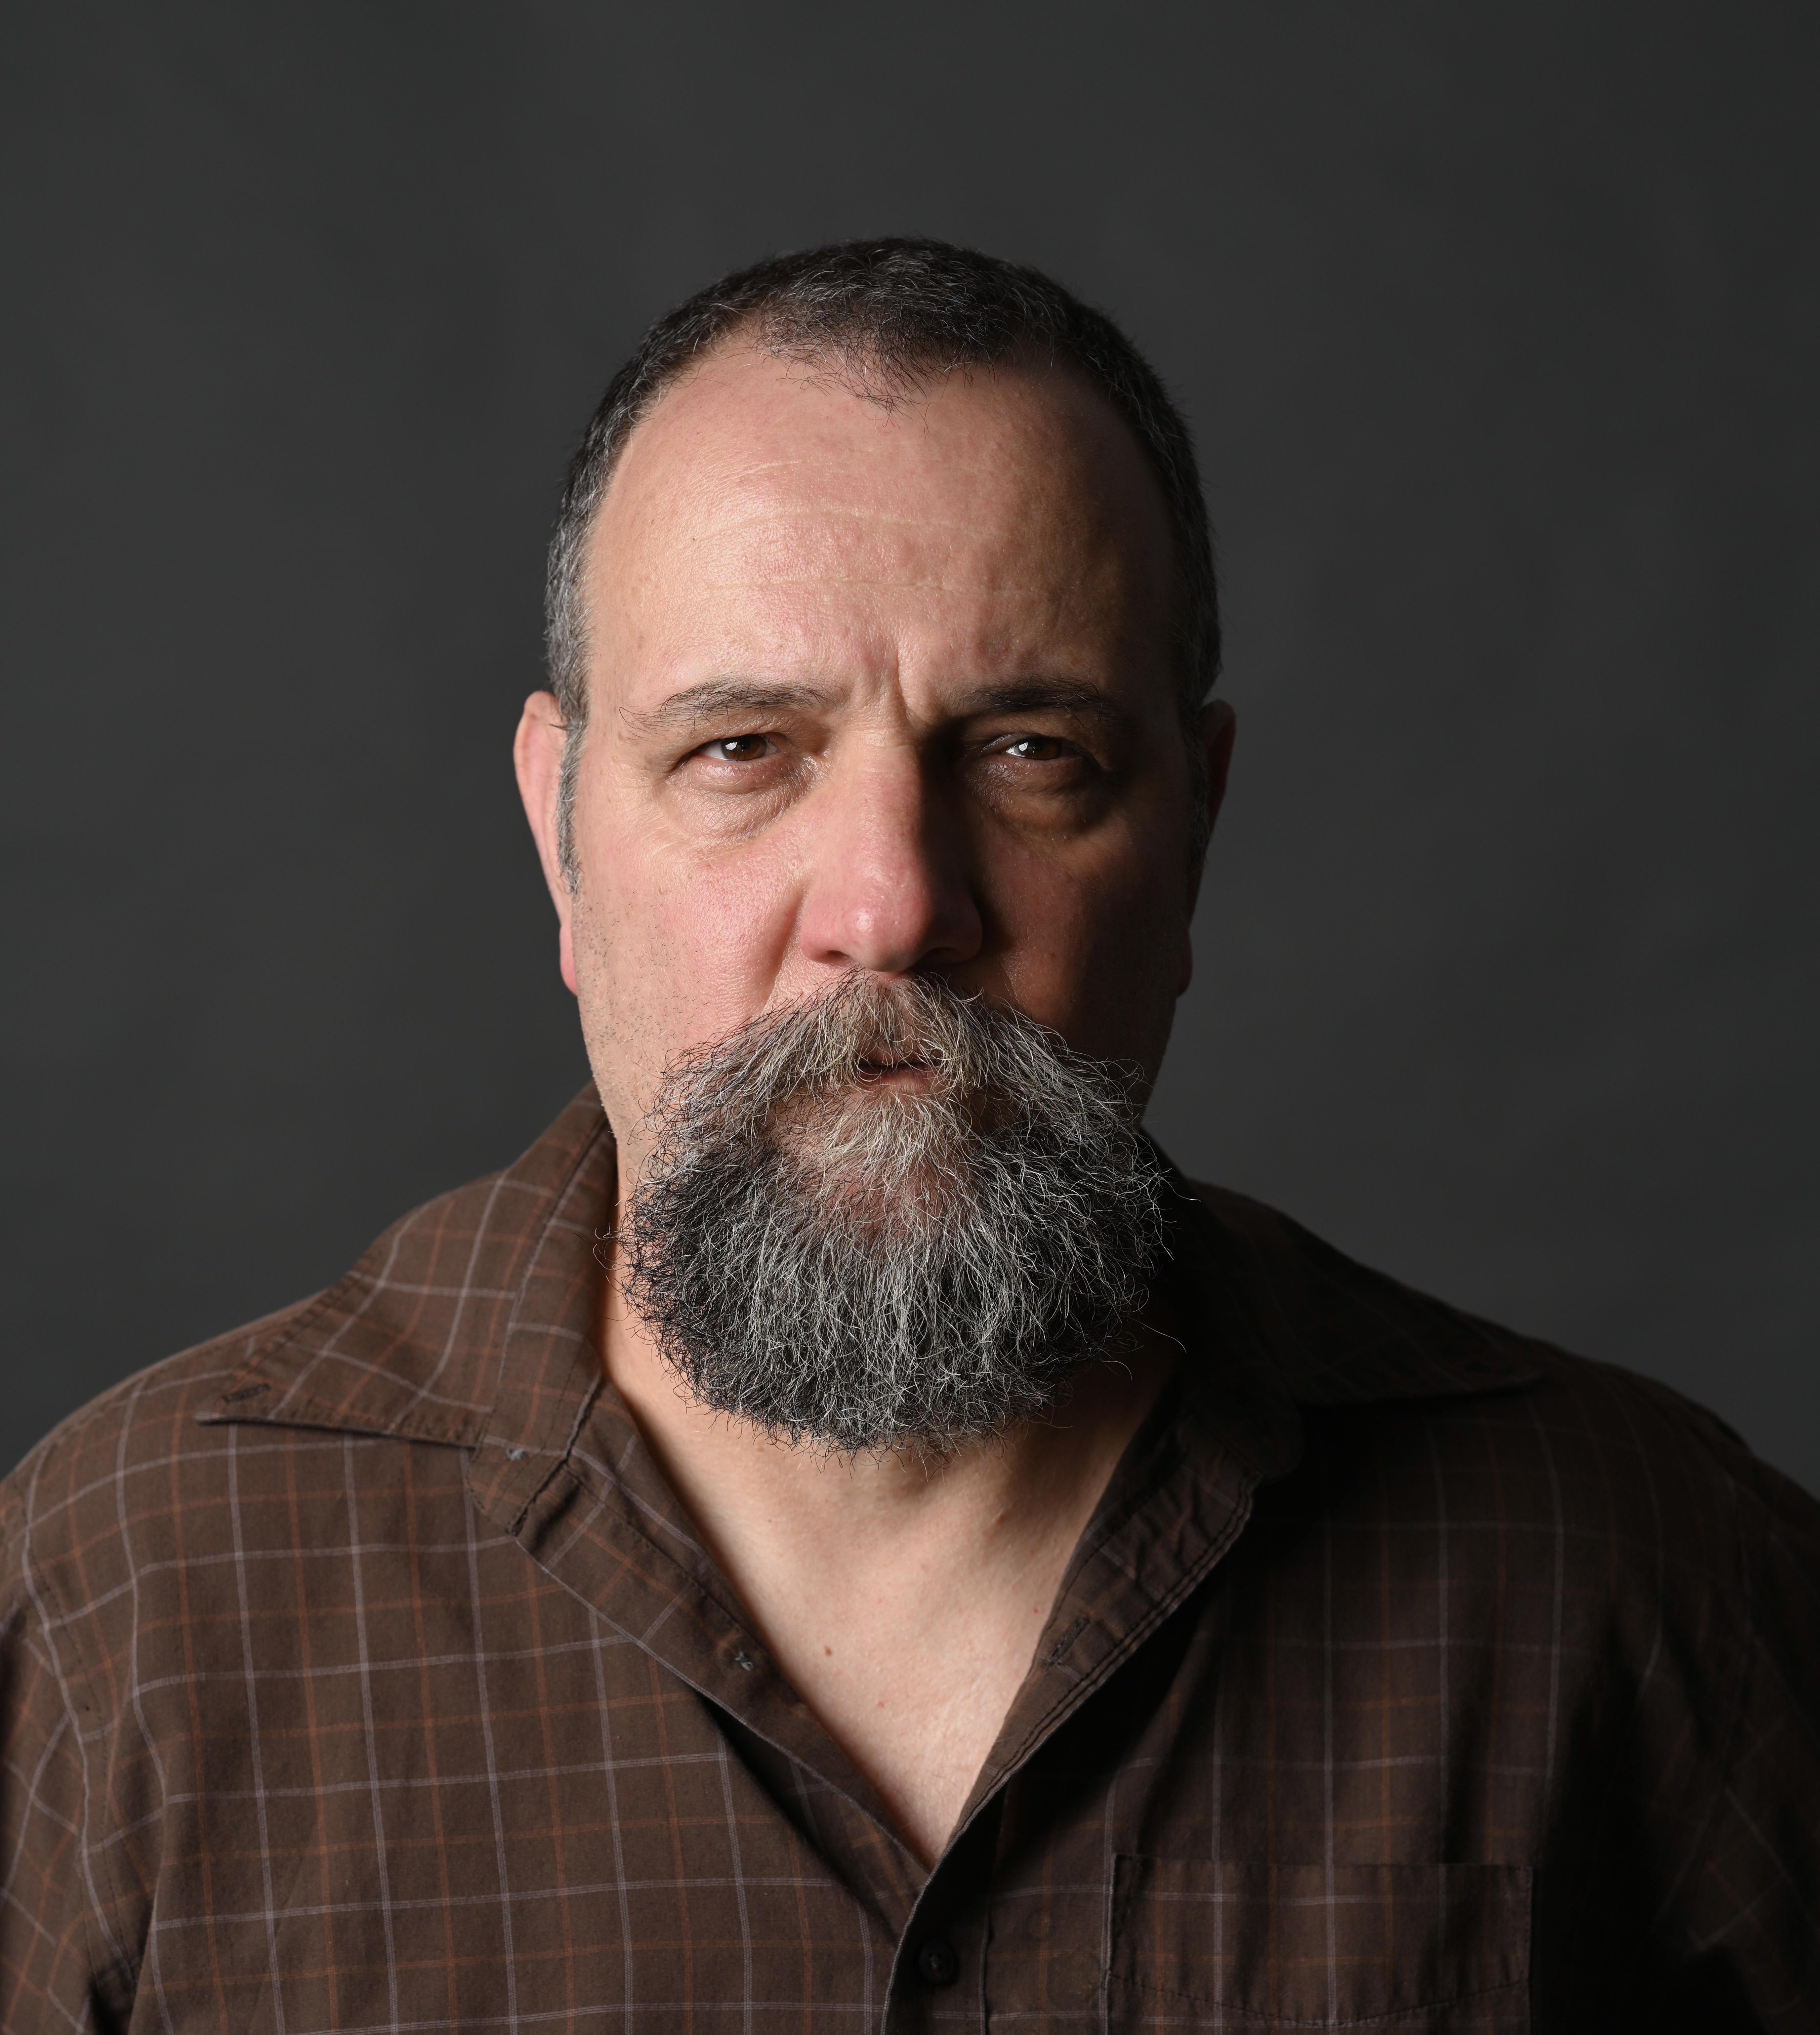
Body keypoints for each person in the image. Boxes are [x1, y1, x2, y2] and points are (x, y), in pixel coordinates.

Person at [2, 238, 1814, 2034]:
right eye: (743, 749)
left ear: (1195, 832)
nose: (889, 907)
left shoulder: (1648, 1578)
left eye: (1030, 752)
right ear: (561, 835)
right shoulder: (119, 1608)